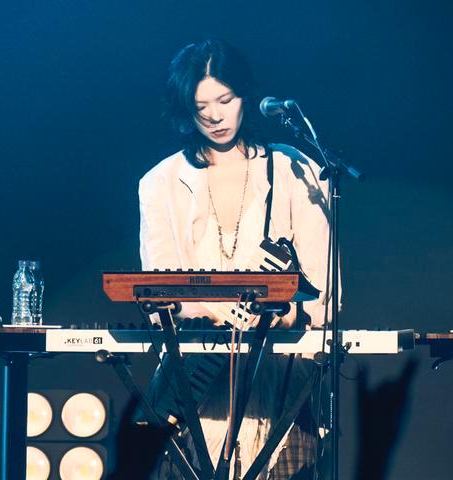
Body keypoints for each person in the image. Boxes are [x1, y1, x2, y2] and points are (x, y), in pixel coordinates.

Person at [138, 39, 335, 479]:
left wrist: (279, 315)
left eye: (225, 100)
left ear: (245, 95)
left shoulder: (295, 171)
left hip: (282, 387)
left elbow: (325, 296)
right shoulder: (160, 183)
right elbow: (158, 293)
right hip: (195, 391)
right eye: (201, 105)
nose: (214, 115)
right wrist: (217, 308)